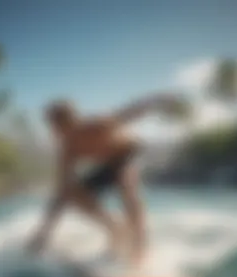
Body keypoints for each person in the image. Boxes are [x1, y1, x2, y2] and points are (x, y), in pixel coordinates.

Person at [27, 93, 179, 267]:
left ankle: (140, 248)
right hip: (108, 166)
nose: (52, 131)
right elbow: (60, 193)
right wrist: (44, 233)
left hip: (127, 155)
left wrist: (159, 100)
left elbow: (131, 112)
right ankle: (115, 228)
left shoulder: (98, 125)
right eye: (51, 126)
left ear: (70, 121)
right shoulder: (67, 150)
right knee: (70, 194)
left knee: (127, 188)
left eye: (54, 126)